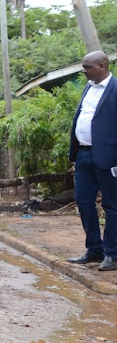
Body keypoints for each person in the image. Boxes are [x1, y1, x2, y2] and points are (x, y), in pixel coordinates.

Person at [66, 50, 117, 272]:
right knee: (84, 202)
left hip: (108, 157)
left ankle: (112, 254)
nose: (84, 71)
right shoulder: (89, 88)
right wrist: (75, 155)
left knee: (111, 205)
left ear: (102, 66)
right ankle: (94, 249)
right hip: (84, 156)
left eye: (87, 67)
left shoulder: (115, 90)